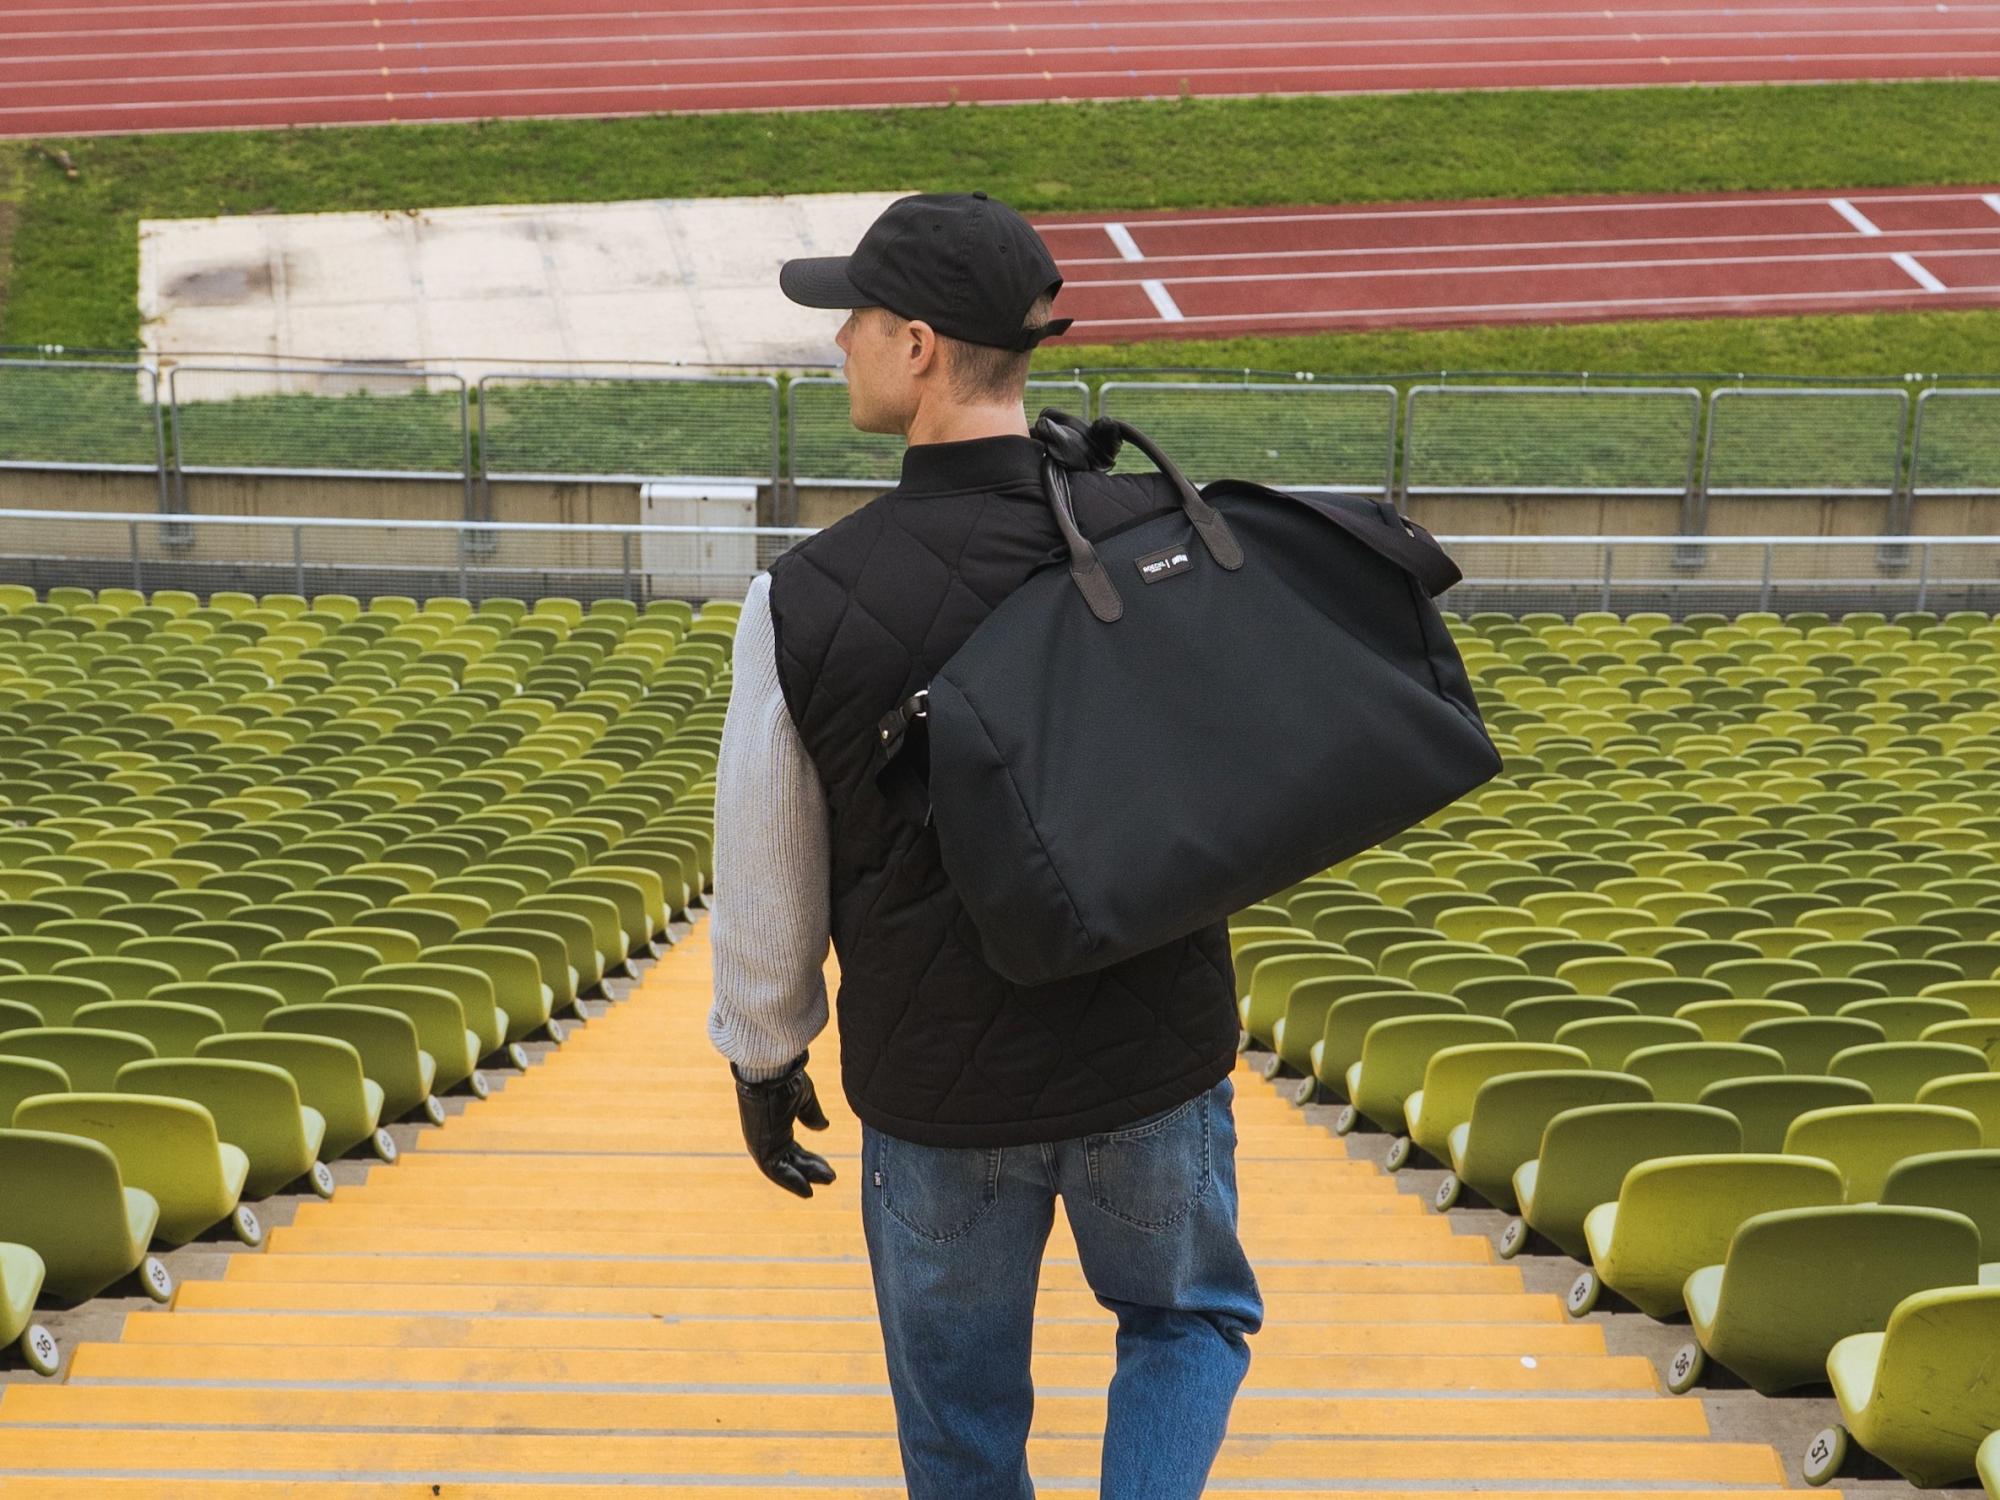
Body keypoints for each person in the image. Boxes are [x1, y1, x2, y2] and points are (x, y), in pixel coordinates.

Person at [706, 190, 1262, 1500]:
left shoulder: (799, 599)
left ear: (917, 346)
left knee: (958, 1416)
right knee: (1186, 1324)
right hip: (1151, 1058)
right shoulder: (1154, 534)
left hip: (940, 1096)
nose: (838, 340)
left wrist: (764, 1057)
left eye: (855, 318)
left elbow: (767, 870)